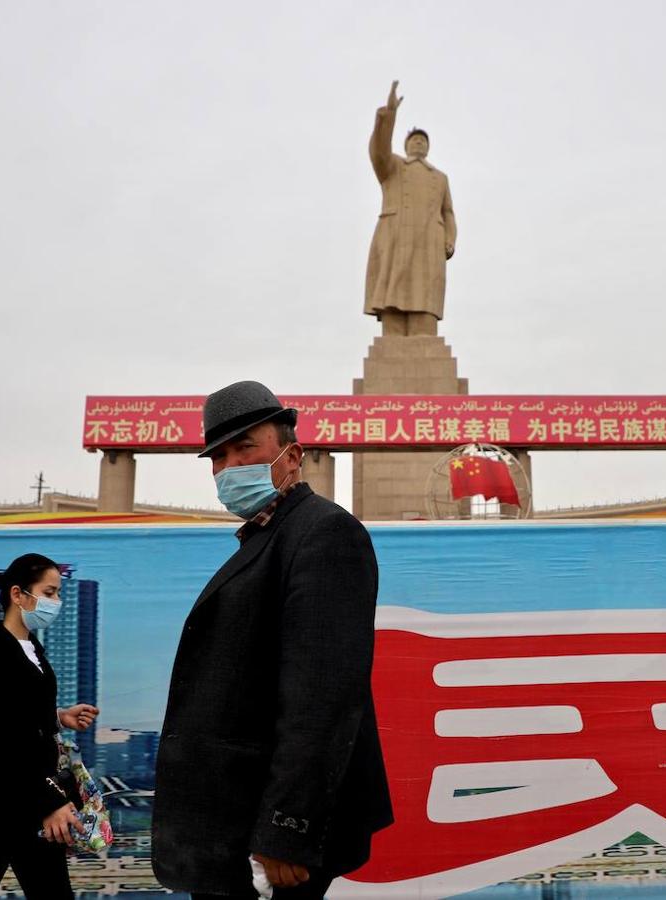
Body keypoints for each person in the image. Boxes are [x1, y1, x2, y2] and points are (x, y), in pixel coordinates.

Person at [152, 380, 393, 900]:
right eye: (218, 457)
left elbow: (321, 698)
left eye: (246, 448)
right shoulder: (268, 536)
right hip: (235, 820)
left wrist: (288, 828)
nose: (229, 467)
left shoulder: (324, 533)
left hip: (269, 834)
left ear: (292, 454)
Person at [0, 553, 100, 899]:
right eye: (49, 592)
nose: (56, 602)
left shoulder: (31, 649)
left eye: (58, 593)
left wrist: (57, 717)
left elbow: (16, 716)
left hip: (32, 810)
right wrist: (51, 801)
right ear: (18, 595)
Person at [364, 79, 457, 337]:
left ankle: (424, 337)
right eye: (414, 140)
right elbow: (379, 152)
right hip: (396, 236)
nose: (418, 143)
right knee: (393, 299)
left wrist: (449, 239)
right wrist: (389, 115)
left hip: (429, 241)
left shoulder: (440, 178)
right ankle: (392, 340)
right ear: (405, 146)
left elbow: (448, 213)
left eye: (423, 141)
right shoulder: (393, 167)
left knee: (424, 299)